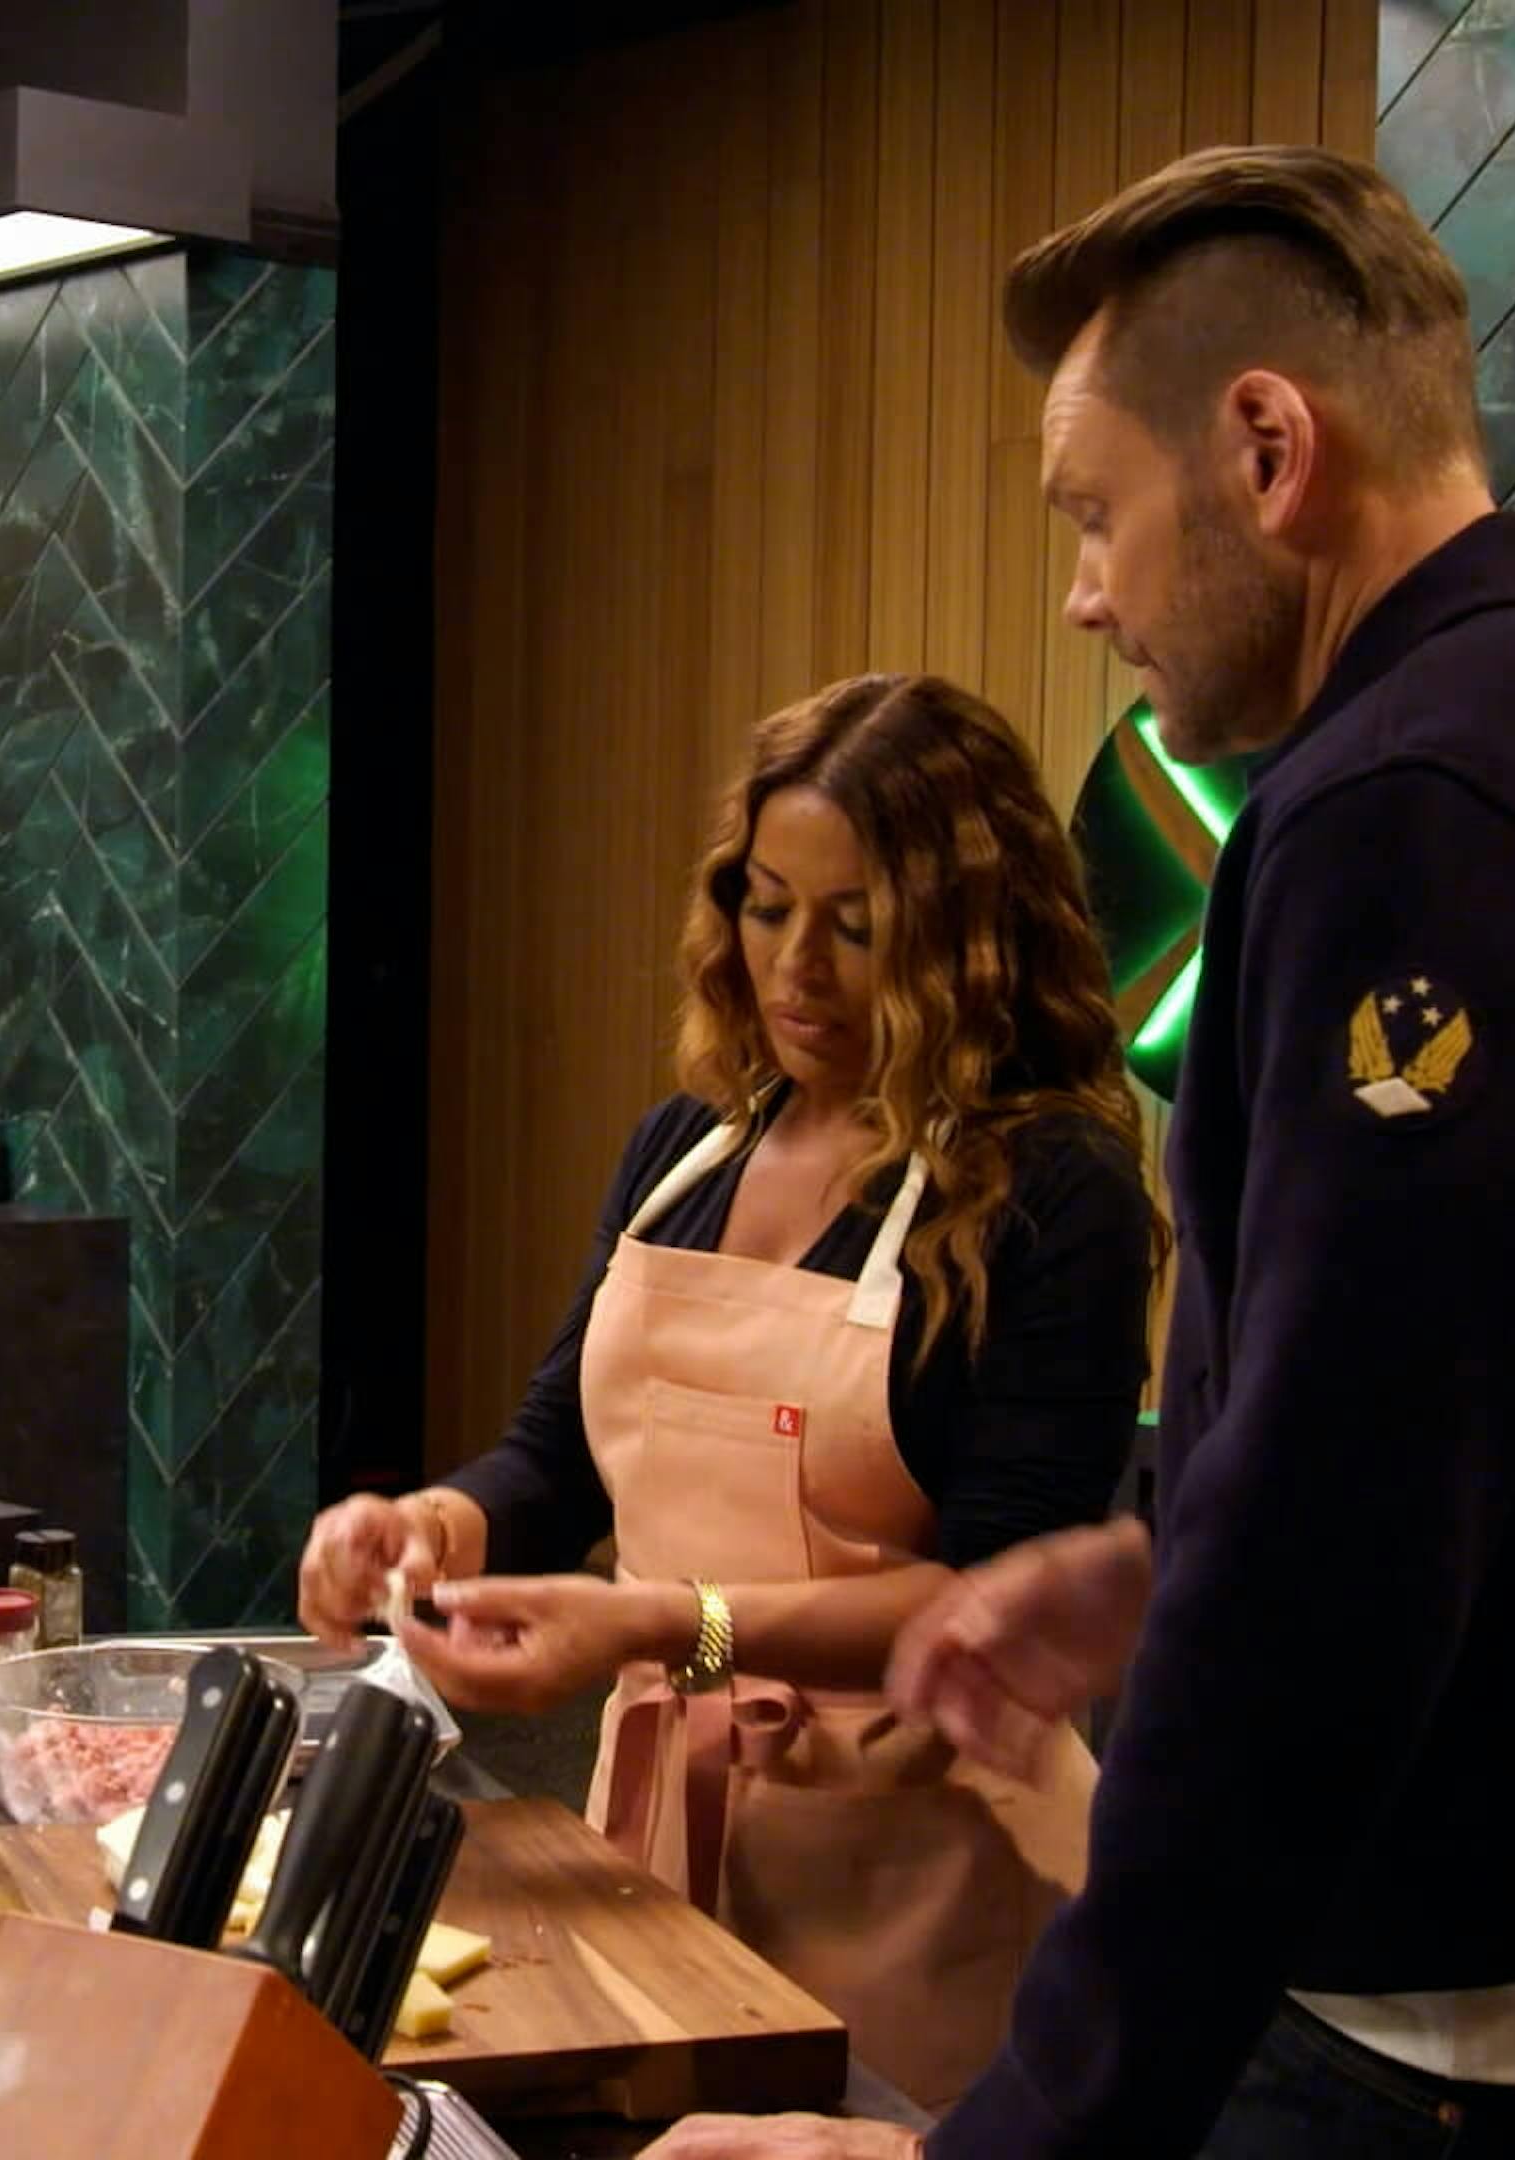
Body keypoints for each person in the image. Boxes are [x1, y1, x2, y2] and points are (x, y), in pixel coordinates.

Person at [646, 147, 1515, 2160]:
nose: (1085, 596)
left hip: (1457, 2047)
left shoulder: (1402, 814)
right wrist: (1149, 1572)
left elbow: (1334, 1576)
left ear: (1267, 448)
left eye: (1094, 514)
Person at [303, 674, 1162, 2116]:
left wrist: (660, 1625)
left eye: (860, 925)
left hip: (930, 1879)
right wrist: (438, 1524)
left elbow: (989, 1602)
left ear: (970, 935)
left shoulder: (1051, 1194)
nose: (799, 969)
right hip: (660, 1857)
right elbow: (558, 1458)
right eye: (769, 908)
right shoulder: (686, 1150)